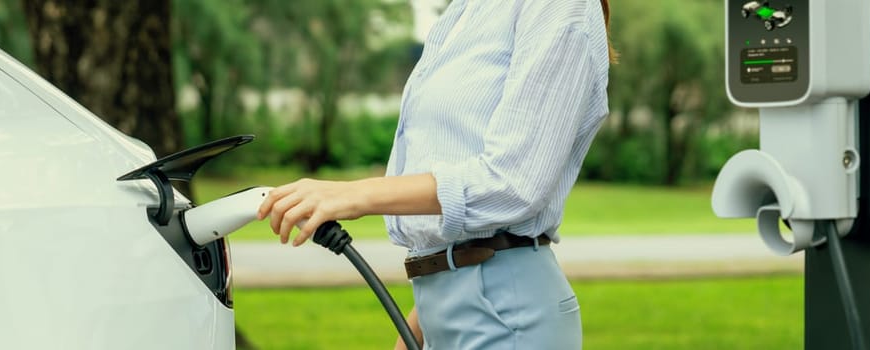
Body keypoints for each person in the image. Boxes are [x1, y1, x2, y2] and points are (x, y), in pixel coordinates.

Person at [258, 0, 616, 348]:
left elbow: (513, 183)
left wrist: (355, 195)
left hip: (508, 319)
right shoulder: (468, 8)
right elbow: (456, 242)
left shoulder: (559, 5)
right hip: (441, 312)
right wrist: (415, 331)